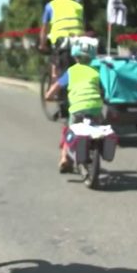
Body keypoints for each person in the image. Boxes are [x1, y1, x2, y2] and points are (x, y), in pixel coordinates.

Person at [44, 37, 103, 173]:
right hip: (95, 108)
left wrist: (48, 96)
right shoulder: (96, 71)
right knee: (99, 124)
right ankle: (98, 144)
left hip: (77, 109)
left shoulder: (71, 72)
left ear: (75, 58)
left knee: (68, 131)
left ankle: (65, 158)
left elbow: (57, 85)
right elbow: (101, 88)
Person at [38, 0, 85, 79]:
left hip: (60, 42)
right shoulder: (79, 6)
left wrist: (42, 45)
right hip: (78, 41)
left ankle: (55, 88)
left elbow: (44, 29)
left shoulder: (50, 6)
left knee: (56, 65)